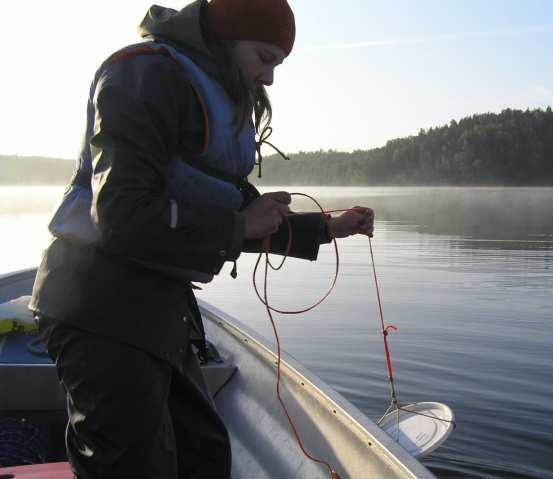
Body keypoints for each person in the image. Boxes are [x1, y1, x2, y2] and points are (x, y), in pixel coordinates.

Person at [29, 0, 374, 477]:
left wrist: (327, 228)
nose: (270, 79)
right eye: (265, 58)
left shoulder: (209, 91)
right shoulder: (143, 77)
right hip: (97, 308)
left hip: (158, 309)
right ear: (226, 39)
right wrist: (237, 227)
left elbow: (234, 211)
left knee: (203, 453)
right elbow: (121, 214)